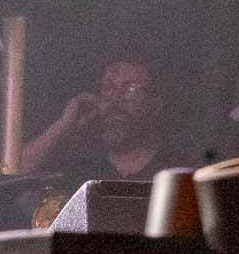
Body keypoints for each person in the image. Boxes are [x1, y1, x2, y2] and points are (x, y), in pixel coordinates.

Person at [22, 52, 184, 183]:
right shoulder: (80, 164)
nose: (116, 98)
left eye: (130, 88)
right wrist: (62, 125)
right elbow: (16, 175)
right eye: (109, 87)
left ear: (154, 105)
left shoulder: (178, 173)